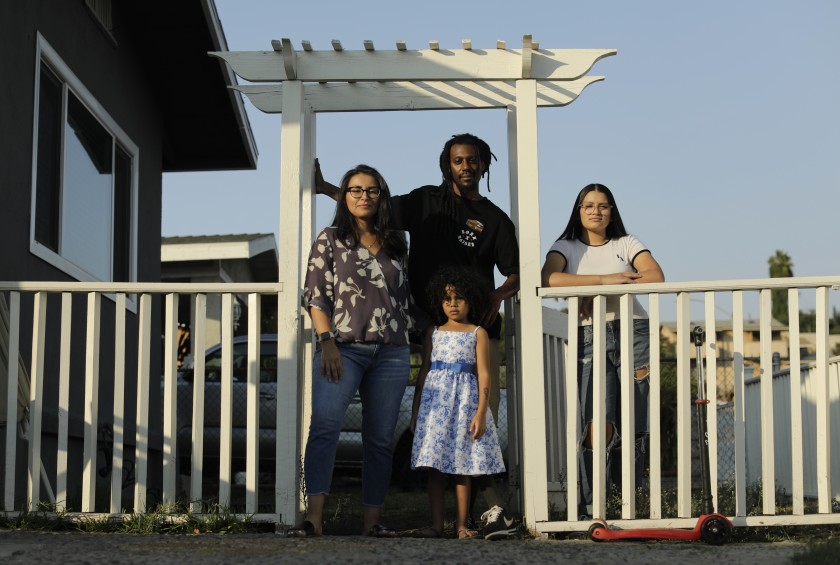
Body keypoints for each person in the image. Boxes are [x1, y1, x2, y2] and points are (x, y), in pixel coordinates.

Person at [316, 133, 520, 538]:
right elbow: (371, 205)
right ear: (447, 165)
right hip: (423, 327)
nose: (466, 167)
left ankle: (494, 510)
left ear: (484, 165)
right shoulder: (424, 200)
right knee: (437, 421)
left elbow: (515, 271)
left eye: (473, 160)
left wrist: (497, 296)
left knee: (481, 420)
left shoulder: (495, 219)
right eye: (458, 160)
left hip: (476, 332)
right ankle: (442, 519)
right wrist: (326, 189)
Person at [287, 164, 413, 538]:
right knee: (324, 428)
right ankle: (314, 519)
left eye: (371, 190)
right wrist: (326, 341)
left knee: (379, 439)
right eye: (355, 190)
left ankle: (372, 524)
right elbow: (315, 294)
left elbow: (404, 297)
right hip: (342, 348)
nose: (363, 196)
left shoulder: (397, 241)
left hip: (392, 352)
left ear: (381, 196)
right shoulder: (329, 238)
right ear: (344, 196)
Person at [540, 183, 665, 519]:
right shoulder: (565, 246)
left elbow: (655, 275)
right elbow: (549, 278)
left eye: (604, 206)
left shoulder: (627, 243)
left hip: (633, 331)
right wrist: (605, 282)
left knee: (635, 419)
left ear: (612, 212)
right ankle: (592, 507)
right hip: (589, 334)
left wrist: (586, 286)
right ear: (578, 210)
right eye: (589, 205)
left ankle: (632, 506)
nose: (596, 211)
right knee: (597, 421)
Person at [410, 266, 506, 539]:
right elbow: (424, 370)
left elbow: (485, 373)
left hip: (465, 403)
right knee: (436, 468)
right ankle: (436, 525)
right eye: (447, 299)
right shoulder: (433, 332)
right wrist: (417, 410)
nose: (453, 304)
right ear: (439, 302)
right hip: (436, 405)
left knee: (463, 466)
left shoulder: (478, 332)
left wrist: (481, 413)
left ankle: (462, 524)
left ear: (471, 300)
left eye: (459, 298)